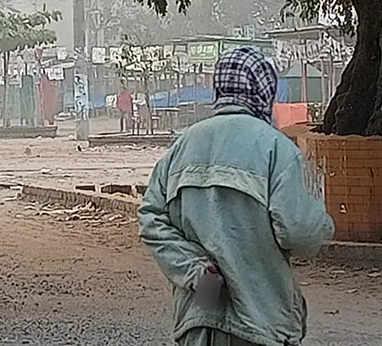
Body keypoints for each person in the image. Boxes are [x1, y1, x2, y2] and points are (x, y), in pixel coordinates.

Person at [139, 46, 334, 346]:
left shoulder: (181, 148)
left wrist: (194, 269)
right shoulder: (278, 150)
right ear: (264, 90)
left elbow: (151, 218)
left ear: (219, 88)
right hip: (261, 322)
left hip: (197, 322)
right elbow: (301, 234)